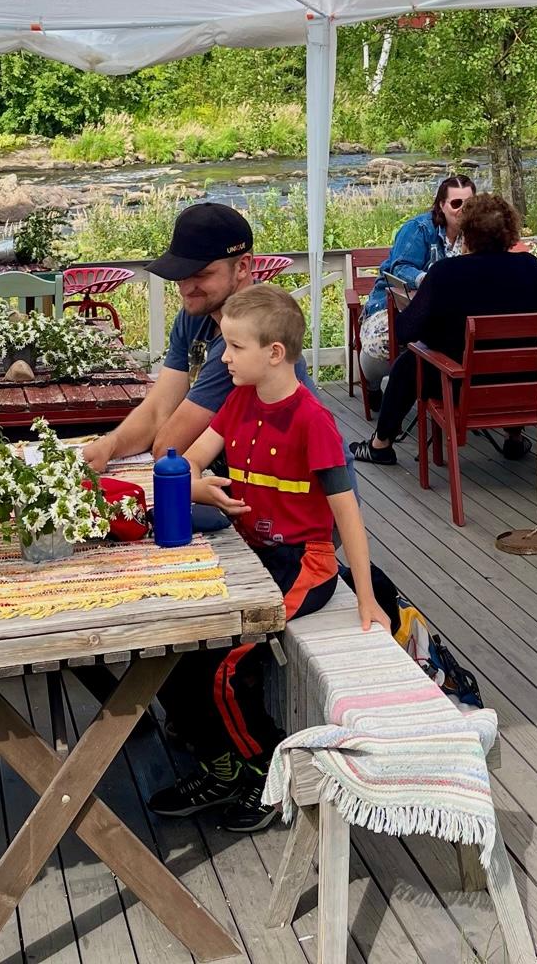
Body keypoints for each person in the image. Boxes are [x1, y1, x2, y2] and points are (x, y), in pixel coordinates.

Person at [146, 284, 390, 831]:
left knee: (223, 665)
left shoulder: (312, 419)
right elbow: (182, 466)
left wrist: (367, 600)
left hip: (305, 564)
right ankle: (221, 766)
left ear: (274, 353)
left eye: (233, 347)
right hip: (255, 553)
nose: (223, 357)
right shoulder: (239, 401)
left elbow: (347, 514)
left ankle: (265, 773)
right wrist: (197, 486)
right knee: (175, 646)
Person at [81, 203, 306, 471]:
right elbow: (157, 411)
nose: (187, 288)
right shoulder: (196, 315)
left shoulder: (249, 342)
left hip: (292, 501)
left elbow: (169, 447)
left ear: (243, 266)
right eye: (179, 275)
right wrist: (112, 444)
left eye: (201, 274)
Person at [348, 193, 537, 466]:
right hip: (523, 383)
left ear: (467, 232)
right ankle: (514, 437)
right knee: (510, 353)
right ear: (509, 232)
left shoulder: (446, 272)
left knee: (409, 362)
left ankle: (380, 444)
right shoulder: (532, 267)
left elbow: (406, 332)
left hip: (459, 385)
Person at [357, 175, 474, 394]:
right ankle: (375, 386)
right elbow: (399, 268)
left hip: (447, 311)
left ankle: (441, 396)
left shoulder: (477, 232)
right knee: (385, 342)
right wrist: (428, 280)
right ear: (441, 204)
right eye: (456, 203)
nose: (463, 210)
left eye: (469, 204)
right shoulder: (419, 228)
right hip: (397, 303)